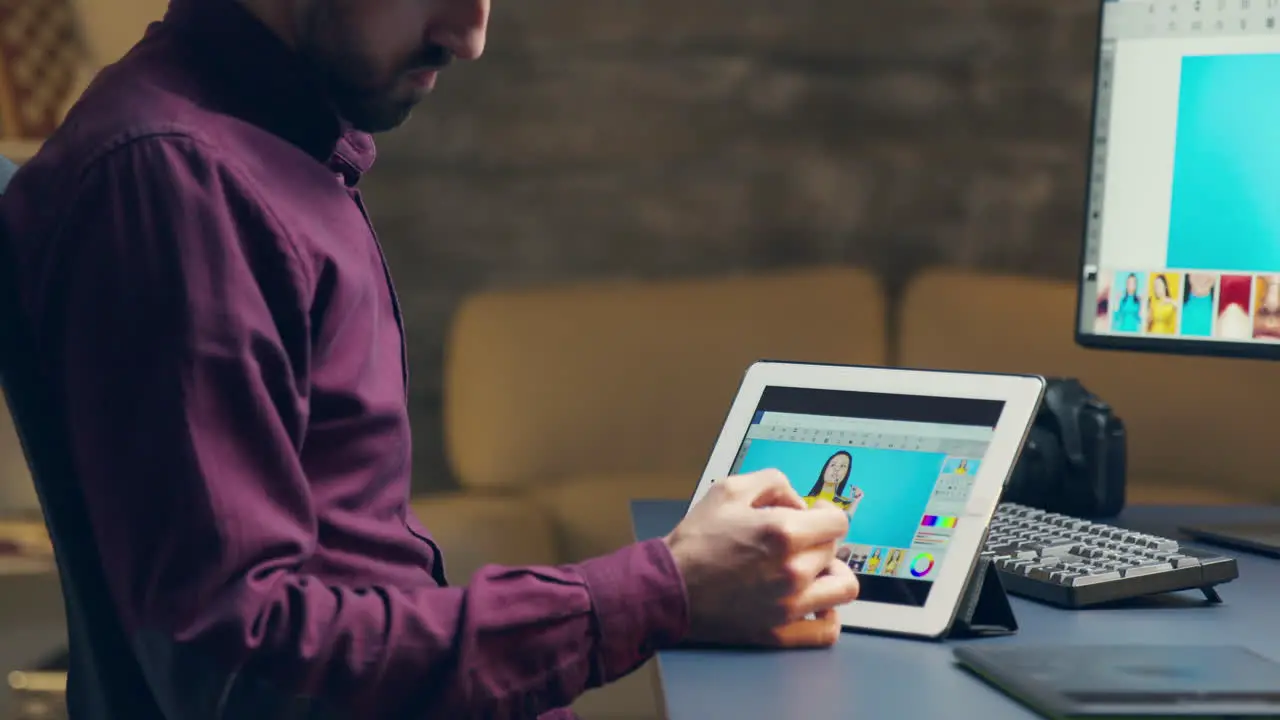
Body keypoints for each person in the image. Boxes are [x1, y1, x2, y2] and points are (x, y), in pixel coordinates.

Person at [0, 0, 861, 718]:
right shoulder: (175, 184)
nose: (470, 33)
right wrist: (661, 589)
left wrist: (678, 586)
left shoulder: (271, 155)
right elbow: (240, 666)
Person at [803, 450, 864, 520]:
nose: (837, 469)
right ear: (825, 470)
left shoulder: (846, 503)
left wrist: (856, 501)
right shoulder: (805, 501)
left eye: (843, 466)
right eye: (833, 464)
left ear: (846, 474)